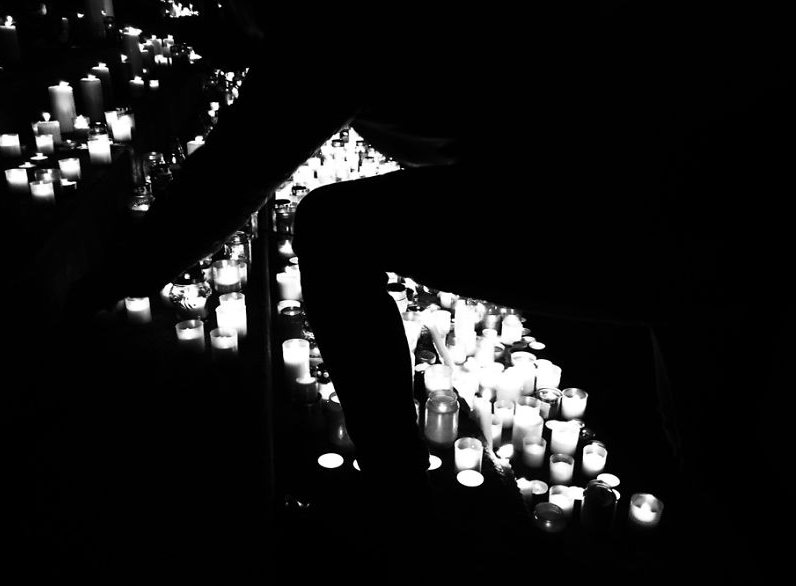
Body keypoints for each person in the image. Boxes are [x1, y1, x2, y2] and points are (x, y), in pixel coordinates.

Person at [62, 1, 792, 580]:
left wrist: (97, 284)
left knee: (332, 226)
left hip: (636, 200)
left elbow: (228, 178)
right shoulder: (330, 30)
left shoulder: (330, 20)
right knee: (717, 440)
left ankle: (401, 503)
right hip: (691, 188)